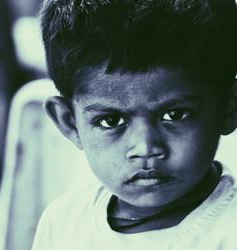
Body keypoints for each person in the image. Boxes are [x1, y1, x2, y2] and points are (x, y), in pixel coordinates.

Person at [32, 0, 237, 249]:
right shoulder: (63, 223)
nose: (145, 147)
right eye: (111, 121)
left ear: (228, 109)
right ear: (70, 123)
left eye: (175, 115)